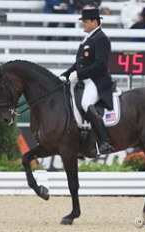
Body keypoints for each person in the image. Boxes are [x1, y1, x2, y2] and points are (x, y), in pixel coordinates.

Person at [60, 8, 114, 155]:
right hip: (84, 80)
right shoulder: (88, 39)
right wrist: (66, 74)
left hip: (97, 81)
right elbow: (78, 63)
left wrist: (78, 74)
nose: (82, 23)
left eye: (85, 21)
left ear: (95, 22)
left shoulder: (101, 39)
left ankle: (104, 141)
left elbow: (100, 65)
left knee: (85, 103)